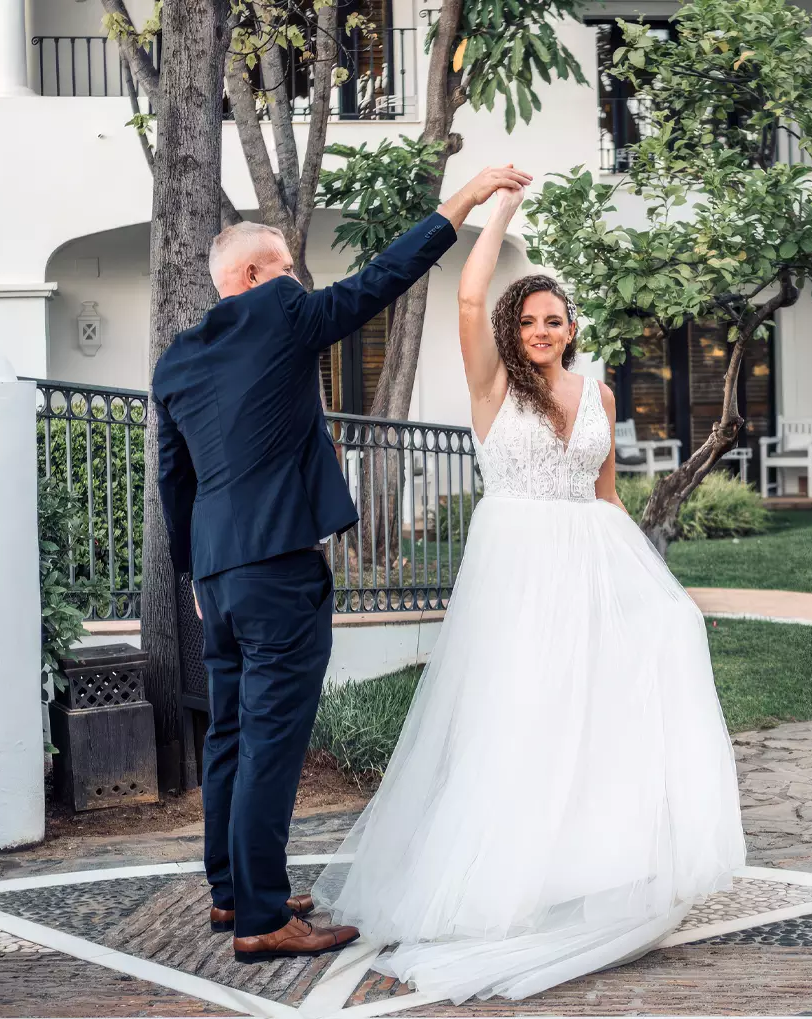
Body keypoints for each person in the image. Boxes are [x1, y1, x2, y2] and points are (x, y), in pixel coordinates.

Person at [313, 184, 746, 1002]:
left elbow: (608, 497)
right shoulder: (490, 391)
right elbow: (470, 292)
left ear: (572, 329)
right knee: (517, 715)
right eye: (530, 320)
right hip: (515, 567)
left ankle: (576, 868)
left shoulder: (601, 397)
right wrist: (494, 207)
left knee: (587, 717)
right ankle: (498, 883)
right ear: (513, 331)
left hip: (590, 557)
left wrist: (658, 588)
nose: (542, 331)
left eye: (556, 320)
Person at [153, 165, 533, 965]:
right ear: (253, 276)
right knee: (271, 741)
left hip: (217, 576)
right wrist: (458, 206)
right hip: (280, 566)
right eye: (288, 266)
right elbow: (378, 283)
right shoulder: (278, 311)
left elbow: (172, 478)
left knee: (229, 732)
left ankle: (231, 891)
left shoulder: (178, 359)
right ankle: (262, 917)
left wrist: (193, 575)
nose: (300, 278)